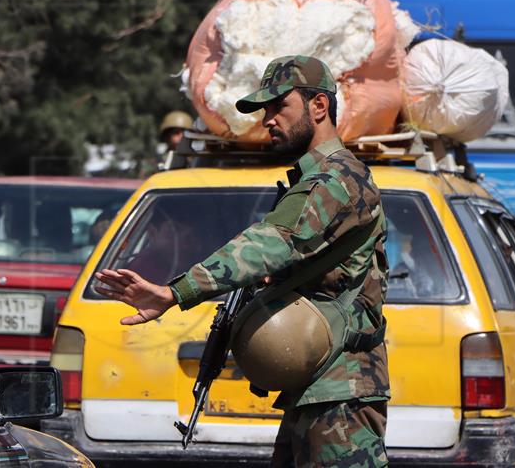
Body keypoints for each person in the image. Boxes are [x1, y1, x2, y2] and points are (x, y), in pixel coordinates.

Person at [95, 55, 390, 467]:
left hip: (342, 389)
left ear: (319, 106)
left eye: (278, 107)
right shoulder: (314, 180)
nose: (268, 120)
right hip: (316, 385)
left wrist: (176, 292)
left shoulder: (340, 179)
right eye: (265, 110)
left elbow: (272, 241)